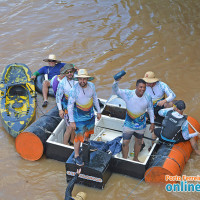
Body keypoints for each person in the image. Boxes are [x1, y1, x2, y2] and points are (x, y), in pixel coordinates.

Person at [112, 78, 155, 162]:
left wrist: (152, 123)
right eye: (140, 87)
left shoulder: (148, 97)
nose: (142, 89)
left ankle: (136, 158)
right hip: (129, 123)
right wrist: (116, 81)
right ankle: (124, 159)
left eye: (144, 87)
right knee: (125, 142)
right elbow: (115, 90)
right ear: (136, 87)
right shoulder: (128, 94)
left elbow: (150, 109)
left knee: (139, 142)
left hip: (141, 124)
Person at [68, 69, 101, 166]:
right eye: (80, 79)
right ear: (77, 79)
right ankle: (77, 156)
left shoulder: (92, 86)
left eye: (84, 79)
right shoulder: (73, 90)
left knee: (88, 133)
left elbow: (95, 98)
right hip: (79, 118)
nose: (82, 81)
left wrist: (98, 111)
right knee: (78, 138)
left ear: (87, 79)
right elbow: (70, 106)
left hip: (90, 116)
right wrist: (72, 121)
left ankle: (86, 146)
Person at [56, 63, 77, 145]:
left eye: (71, 71)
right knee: (69, 128)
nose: (69, 74)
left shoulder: (78, 79)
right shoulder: (62, 83)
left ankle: (72, 141)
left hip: (77, 106)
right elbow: (58, 97)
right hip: (67, 107)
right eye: (67, 72)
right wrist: (60, 110)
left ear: (73, 71)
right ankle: (65, 144)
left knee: (75, 126)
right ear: (64, 73)